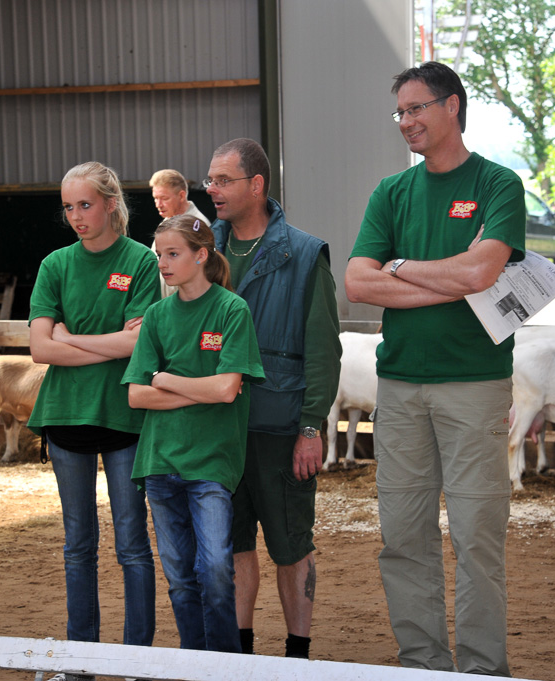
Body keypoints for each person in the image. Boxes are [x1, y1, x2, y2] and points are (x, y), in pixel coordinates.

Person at [345, 61, 526, 676]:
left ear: (453, 106)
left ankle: (480, 671)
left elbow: (482, 274)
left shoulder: (499, 184)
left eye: (417, 108)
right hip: (398, 388)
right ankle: (422, 665)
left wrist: (398, 266)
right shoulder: (390, 193)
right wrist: (444, 275)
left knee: (477, 538)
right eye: (400, 112)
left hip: (475, 385)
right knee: (404, 537)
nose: (406, 122)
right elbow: (356, 282)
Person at [206, 138, 342, 659]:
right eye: (210, 180)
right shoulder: (204, 250)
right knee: (232, 546)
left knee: (290, 546)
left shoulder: (304, 254)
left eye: (223, 180)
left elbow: (323, 350)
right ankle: (239, 657)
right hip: (217, 426)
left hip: (279, 425)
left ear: (256, 185)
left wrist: (311, 427)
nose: (212, 190)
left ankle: (297, 658)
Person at [27, 162, 159, 676]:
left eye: (85, 204)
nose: (76, 216)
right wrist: (102, 345)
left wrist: (69, 338)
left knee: (131, 543)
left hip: (124, 417)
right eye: (68, 207)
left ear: (110, 204)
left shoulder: (141, 262)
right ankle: (79, 661)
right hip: (64, 417)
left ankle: (136, 663)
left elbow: (138, 343)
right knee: (78, 545)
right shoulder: (55, 265)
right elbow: (40, 349)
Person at [122, 214, 264, 653]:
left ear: (201, 256)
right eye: (160, 254)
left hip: (211, 463)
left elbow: (227, 389)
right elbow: (136, 397)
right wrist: (195, 390)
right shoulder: (158, 315)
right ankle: (194, 662)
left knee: (217, 570)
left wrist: (166, 379)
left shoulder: (230, 309)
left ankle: (224, 665)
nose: (163, 263)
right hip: (159, 461)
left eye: (173, 254)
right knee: (181, 577)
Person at [149, 169, 210, 298]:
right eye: (155, 198)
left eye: (164, 198)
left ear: (182, 196)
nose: (158, 205)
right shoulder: (166, 223)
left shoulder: (197, 226)